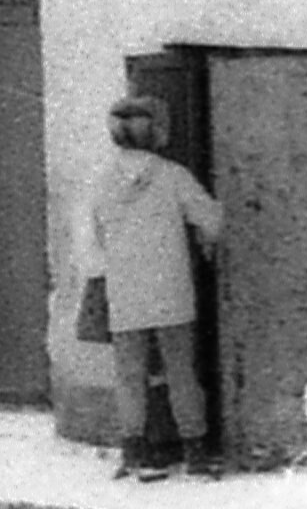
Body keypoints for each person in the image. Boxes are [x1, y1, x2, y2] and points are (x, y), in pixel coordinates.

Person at [84, 97, 223, 479]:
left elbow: (96, 234)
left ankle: (135, 452)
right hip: (171, 290)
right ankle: (194, 451)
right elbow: (211, 220)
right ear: (157, 132)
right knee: (181, 371)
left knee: (129, 375)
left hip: (124, 290)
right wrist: (204, 242)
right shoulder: (173, 176)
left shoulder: (102, 180)